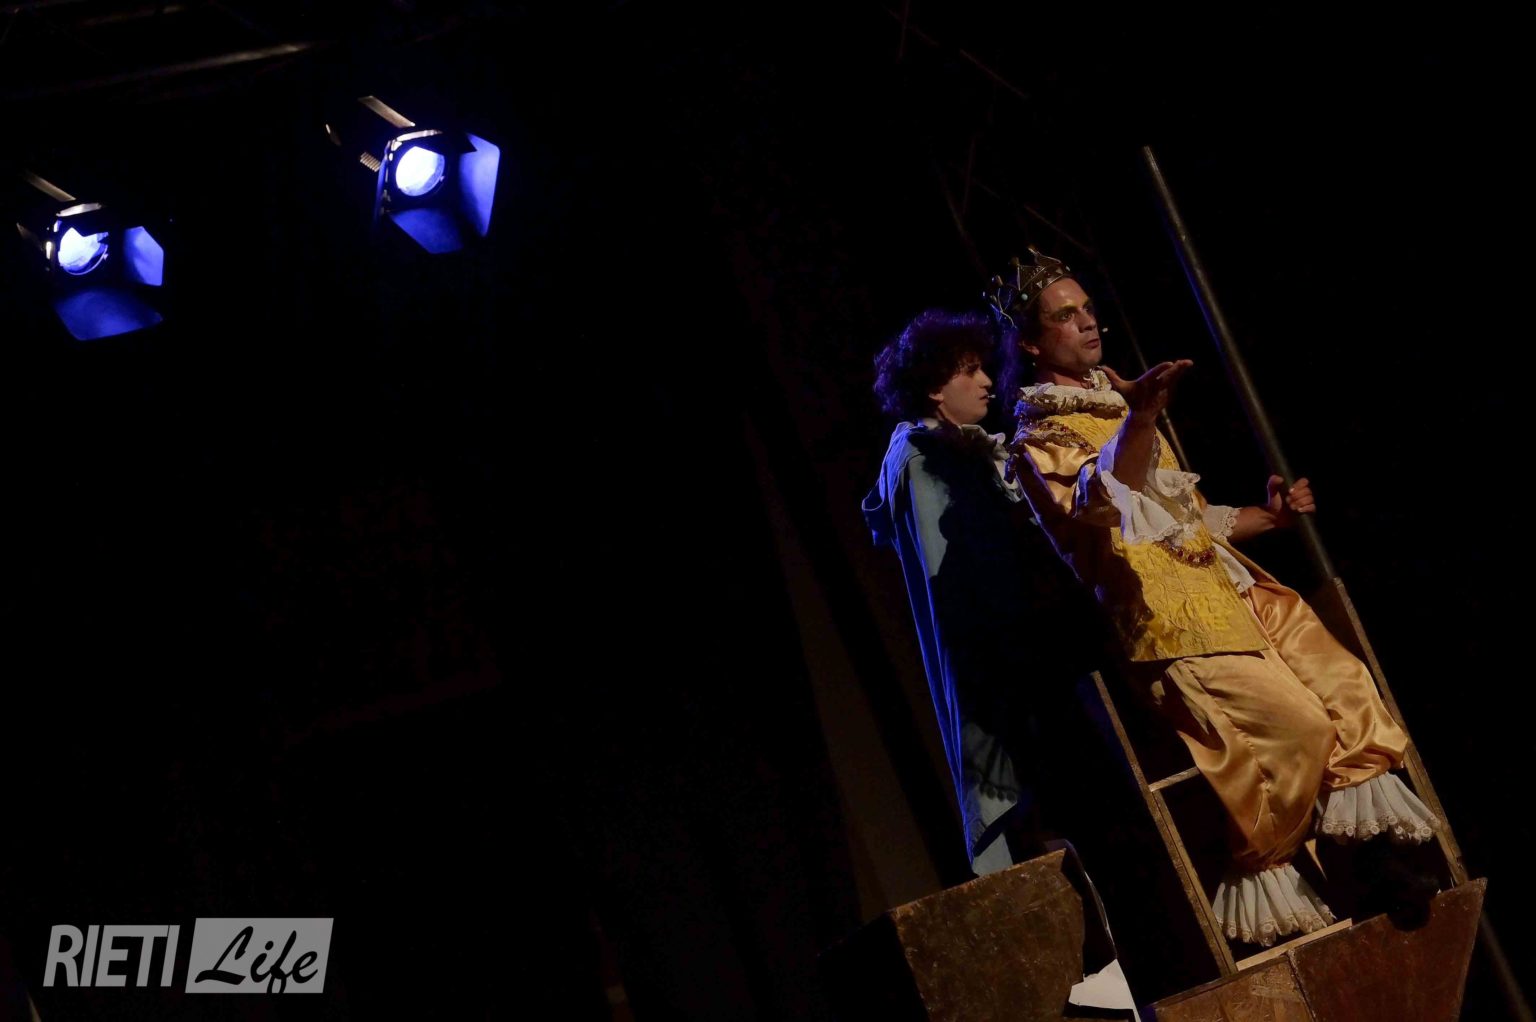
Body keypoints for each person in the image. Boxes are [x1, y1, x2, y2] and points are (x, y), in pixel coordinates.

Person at [988, 248, 1441, 946]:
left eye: (1088, 309)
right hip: (1170, 625)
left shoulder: (1117, 400)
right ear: (1030, 343)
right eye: (1065, 317)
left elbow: (1186, 515)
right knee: (1300, 729)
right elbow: (1103, 503)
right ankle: (1285, 876)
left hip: (1228, 588)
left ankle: (1377, 866)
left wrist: (1269, 520)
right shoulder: (1038, 437)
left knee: (1343, 684)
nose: (1088, 323)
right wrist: (1140, 418)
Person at [863, 308, 1109, 875]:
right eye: (968, 370)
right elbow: (955, 582)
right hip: (1005, 672)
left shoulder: (962, 450)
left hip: (1029, 659)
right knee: (1050, 818)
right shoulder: (924, 460)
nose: (988, 381)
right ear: (933, 386)